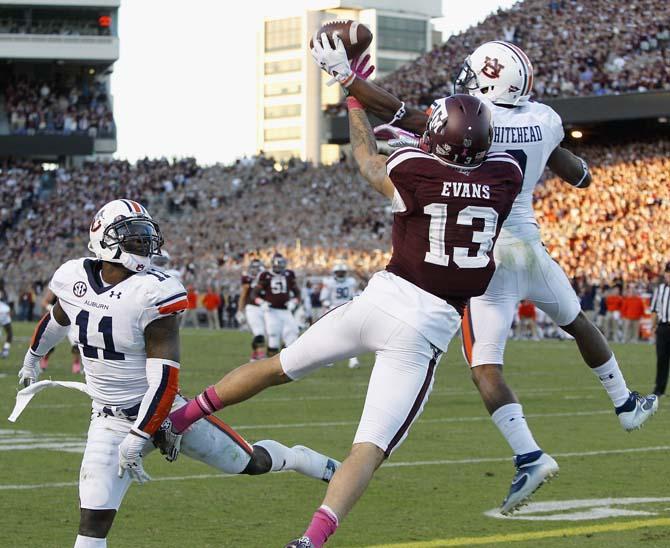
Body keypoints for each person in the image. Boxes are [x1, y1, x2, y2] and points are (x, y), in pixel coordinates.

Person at [159, 93, 523, 548]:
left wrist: (355, 99)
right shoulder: (506, 176)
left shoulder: (412, 167)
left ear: (434, 139)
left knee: (279, 365)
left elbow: (368, 158)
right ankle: (310, 541)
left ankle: (180, 418)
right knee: (366, 450)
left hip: (377, 303)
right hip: (423, 330)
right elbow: (468, 160)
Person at [324, 39, 659, 514]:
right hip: (531, 248)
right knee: (578, 321)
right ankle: (625, 402)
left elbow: (403, 113)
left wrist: (348, 79)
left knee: (485, 366)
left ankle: (529, 454)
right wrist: (581, 174)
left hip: (489, 249)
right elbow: (571, 168)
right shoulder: (544, 118)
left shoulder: (473, 114)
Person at [15, 199, 339, 548]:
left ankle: (306, 460)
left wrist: (142, 434)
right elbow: (57, 320)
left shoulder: (153, 291)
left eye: (145, 237)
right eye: (132, 237)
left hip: (165, 411)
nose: (143, 245)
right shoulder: (73, 277)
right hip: (108, 419)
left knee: (249, 462)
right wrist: (33, 357)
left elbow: (164, 379)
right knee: (91, 527)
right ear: (102, 238)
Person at [252, 253, 300, 356]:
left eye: (281, 265)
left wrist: (294, 302)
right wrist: (261, 302)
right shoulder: (265, 275)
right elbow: (254, 294)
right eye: (277, 265)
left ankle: (285, 361)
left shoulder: (289, 274)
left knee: (293, 334)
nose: (279, 268)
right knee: (273, 336)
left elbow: (298, 293)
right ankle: (271, 364)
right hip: (271, 311)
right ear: (273, 265)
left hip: (286, 311)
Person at [320, 263, 360, 368]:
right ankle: (328, 359)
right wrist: (328, 305)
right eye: (339, 273)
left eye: (342, 273)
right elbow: (323, 298)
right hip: (334, 309)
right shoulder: (329, 283)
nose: (341, 275)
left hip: (347, 309)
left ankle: (353, 360)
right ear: (335, 273)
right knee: (330, 336)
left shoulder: (351, 282)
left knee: (350, 335)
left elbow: (355, 296)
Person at [237, 259, 267, 360]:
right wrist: (240, 310)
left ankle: (255, 354)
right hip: (252, 308)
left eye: (257, 268)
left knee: (262, 334)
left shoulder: (266, 278)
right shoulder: (247, 279)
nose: (255, 270)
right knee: (259, 332)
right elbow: (243, 295)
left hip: (265, 308)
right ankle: (261, 355)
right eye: (253, 268)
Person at [650, 264, 670, 396]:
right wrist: (653, 325)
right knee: (662, 359)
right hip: (663, 327)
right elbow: (655, 309)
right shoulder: (660, 289)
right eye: (667, 273)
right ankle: (659, 389)